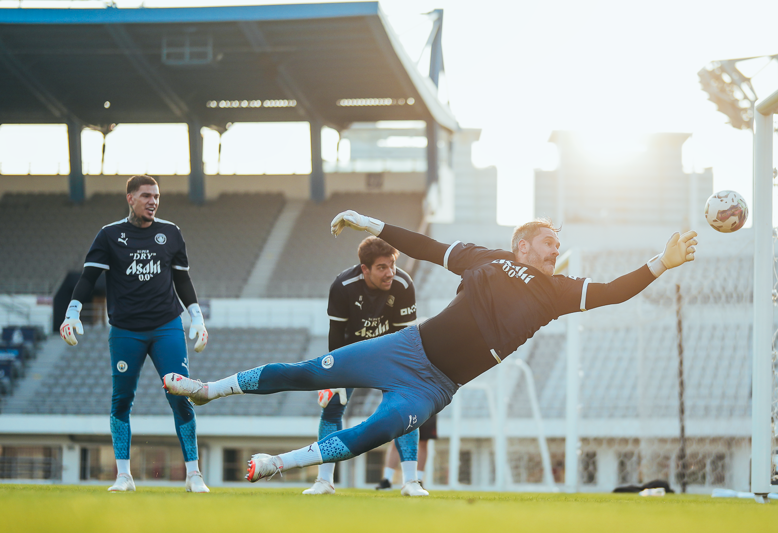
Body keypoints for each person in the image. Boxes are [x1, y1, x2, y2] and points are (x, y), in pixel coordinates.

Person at [163, 210, 696, 486]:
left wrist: (662, 261)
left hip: (437, 385)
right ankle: (209, 390)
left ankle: (278, 465)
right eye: (549, 243)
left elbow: (611, 292)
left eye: (559, 247)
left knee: (377, 431)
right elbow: (424, 246)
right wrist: (367, 222)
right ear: (522, 245)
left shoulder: (557, 292)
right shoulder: (486, 257)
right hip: (404, 348)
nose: (556, 252)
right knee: (308, 371)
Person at [61, 175, 210, 493]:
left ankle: (193, 475)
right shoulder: (110, 235)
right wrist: (71, 312)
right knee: (121, 401)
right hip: (126, 330)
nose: (153, 201)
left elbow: (182, 280)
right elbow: (88, 278)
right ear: (130, 198)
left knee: (180, 397)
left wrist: (196, 317)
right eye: (146, 196)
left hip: (166, 326)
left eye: (156, 196)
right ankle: (124, 476)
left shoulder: (171, 233)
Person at [303, 236, 427, 496]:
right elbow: (335, 335)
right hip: (351, 355)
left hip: (389, 355)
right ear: (364, 269)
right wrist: (332, 377)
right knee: (332, 405)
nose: (390, 272)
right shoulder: (342, 286)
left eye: (392, 264)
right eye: (382, 267)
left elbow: (405, 340)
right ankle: (324, 481)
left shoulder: (403, 284)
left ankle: (411, 482)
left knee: (405, 407)